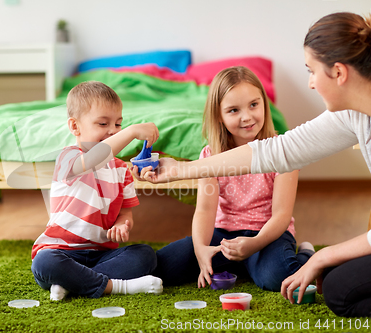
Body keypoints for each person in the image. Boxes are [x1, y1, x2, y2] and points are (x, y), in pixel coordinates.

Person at [135, 12, 371, 317]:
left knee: (328, 288)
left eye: (311, 71)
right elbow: (280, 151)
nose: (310, 84)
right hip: (228, 235)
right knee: (339, 287)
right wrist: (180, 170)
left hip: (267, 237)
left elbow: (280, 182)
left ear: (338, 72)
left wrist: (319, 259)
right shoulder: (353, 114)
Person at [152, 66, 314, 291]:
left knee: (279, 278)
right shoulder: (210, 156)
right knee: (163, 267)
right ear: (219, 115)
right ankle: (237, 264)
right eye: (234, 110)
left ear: (264, 104)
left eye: (254, 105)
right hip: (223, 236)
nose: (247, 117)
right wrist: (201, 250)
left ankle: (307, 254)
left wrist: (255, 244)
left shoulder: (283, 151)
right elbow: (205, 210)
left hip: (266, 235)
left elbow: (281, 215)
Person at [31, 81, 163, 301]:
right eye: (103, 123)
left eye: (118, 124)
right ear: (75, 127)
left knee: (145, 255)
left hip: (102, 255)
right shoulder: (68, 157)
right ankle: (119, 287)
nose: (113, 130)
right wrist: (130, 132)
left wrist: (122, 224)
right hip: (61, 251)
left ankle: (73, 283)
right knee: (45, 262)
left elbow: (125, 213)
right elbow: (95, 157)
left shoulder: (121, 169)